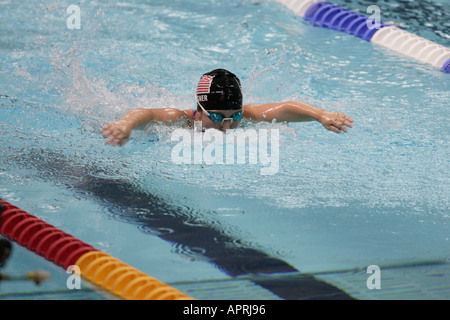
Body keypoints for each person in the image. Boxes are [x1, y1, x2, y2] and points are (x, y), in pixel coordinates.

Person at [102, 69, 353, 146]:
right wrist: (125, 125)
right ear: (198, 111)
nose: (227, 126)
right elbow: (145, 113)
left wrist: (322, 115)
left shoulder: (243, 118)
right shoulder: (180, 120)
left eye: (235, 116)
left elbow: (285, 108)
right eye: (216, 117)